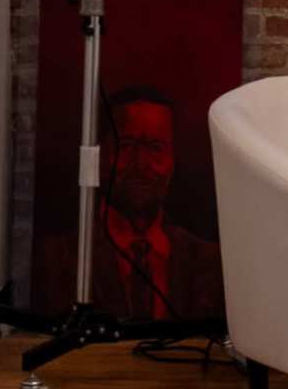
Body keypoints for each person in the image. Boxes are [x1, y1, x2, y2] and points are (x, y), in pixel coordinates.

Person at [85, 85, 224, 330]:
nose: (141, 164)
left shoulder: (210, 261)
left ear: (173, 159)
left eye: (156, 148)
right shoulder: (59, 258)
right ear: (99, 155)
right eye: (126, 145)